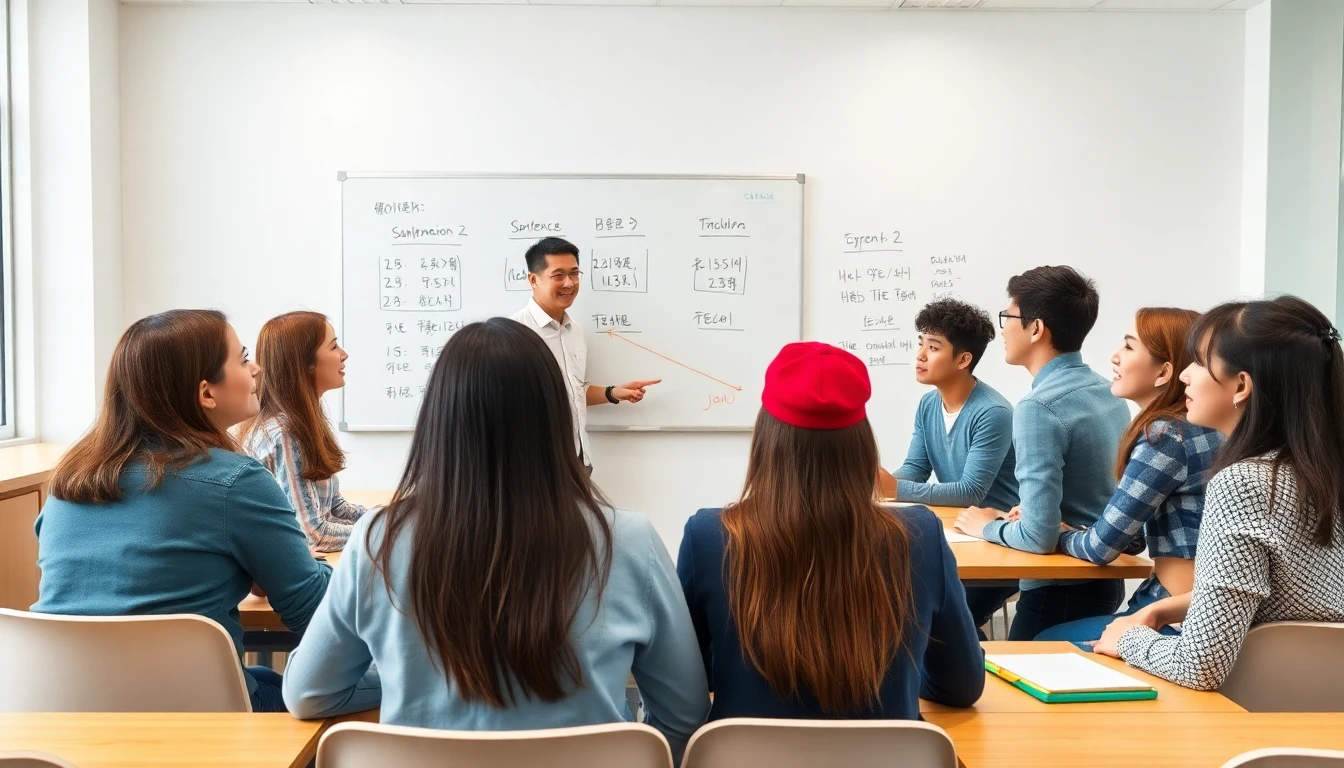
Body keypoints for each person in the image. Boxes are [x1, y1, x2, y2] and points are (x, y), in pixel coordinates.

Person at [282, 318, 709, 761]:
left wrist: (397, 673)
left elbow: (308, 694)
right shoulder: (631, 540)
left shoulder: (378, 540)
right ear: (555, 418)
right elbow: (684, 714)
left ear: (437, 420)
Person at [33, 310, 331, 712]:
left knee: (263, 678)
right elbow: (312, 613)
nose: (257, 367)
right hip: (195, 717)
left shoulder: (69, 482)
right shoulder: (236, 481)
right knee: (341, 692)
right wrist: (320, 570)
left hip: (65, 715)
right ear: (207, 393)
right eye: (243, 358)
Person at [678, 342, 984, 721]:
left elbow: (686, 682)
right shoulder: (920, 535)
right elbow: (962, 686)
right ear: (860, 446)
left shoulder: (708, 537)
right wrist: (901, 674)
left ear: (766, 440)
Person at [1093, 296, 1344, 689]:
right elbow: (1296, 598)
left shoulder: (1243, 482)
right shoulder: (1319, 471)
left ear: (1241, 385)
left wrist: (1129, 640)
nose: (1184, 376)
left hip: (1250, 716)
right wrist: (1164, 609)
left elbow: (1200, 666)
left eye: (1198, 363)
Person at [954, 266, 1130, 639]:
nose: (1003, 329)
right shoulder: (1107, 392)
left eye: (1008, 317)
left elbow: (1038, 537)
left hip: (1056, 587)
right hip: (1103, 581)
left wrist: (985, 526)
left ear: (1036, 329)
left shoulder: (1039, 407)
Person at [1035, 308, 1222, 645]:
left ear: (1164, 371)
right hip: (1190, 610)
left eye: (1129, 346)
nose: (1115, 357)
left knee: (1044, 644)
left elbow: (1101, 548)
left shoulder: (1166, 436)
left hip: (1175, 619)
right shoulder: (1198, 429)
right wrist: (1072, 531)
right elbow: (1131, 538)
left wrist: (1048, 535)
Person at [511, 237, 660, 472]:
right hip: (536, 465)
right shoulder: (514, 333)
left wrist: (615, 393)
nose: (569, 283)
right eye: (558, 275)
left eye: (574, 274)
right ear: (533, 279)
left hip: (579, 461)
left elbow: (572, 390)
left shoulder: (575, 331)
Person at [242, 311, 372, 552]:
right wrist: (385, 533)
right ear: (306, 363)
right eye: (334, 347)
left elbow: (333, 507)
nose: (344, 355)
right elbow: (314, 534)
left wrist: (386, 519)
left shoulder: (301, 422)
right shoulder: (286, 432)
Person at [880, 298, 1019, 510]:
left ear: (963, 360)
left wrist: (894, 489)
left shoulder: (993, 412)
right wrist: (879, 485)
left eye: (933, 348)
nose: (920, 355)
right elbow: (916, 468)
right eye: (921, 344)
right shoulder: (928, 404)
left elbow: (970, 492)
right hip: (956, 522)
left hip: (998, 527)